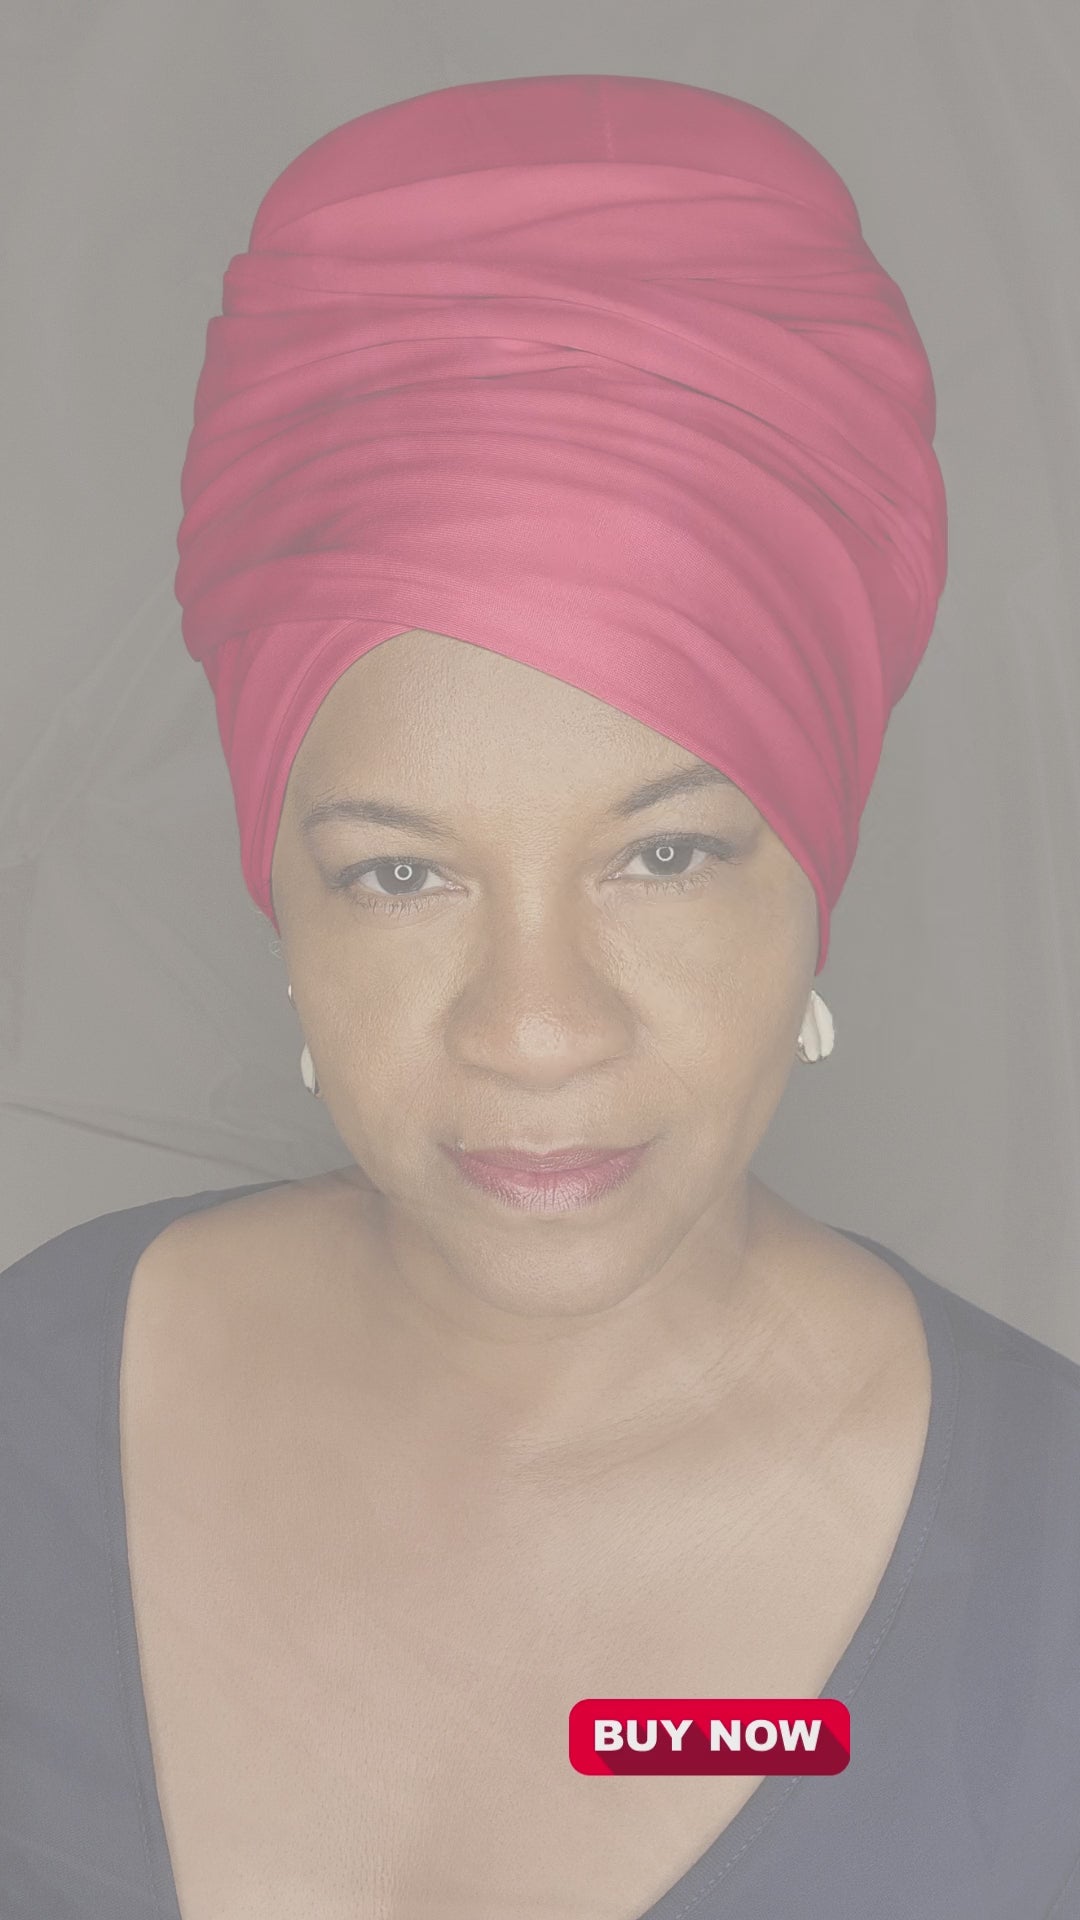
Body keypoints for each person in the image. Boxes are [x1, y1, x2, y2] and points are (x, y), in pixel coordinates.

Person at [2, 72, 1079, 1920]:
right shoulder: (28, 1412)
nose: (534, 1028)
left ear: (815, 870)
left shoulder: (1052, 1593)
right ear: (281, 895)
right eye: (400, 874)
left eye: (664, 856)